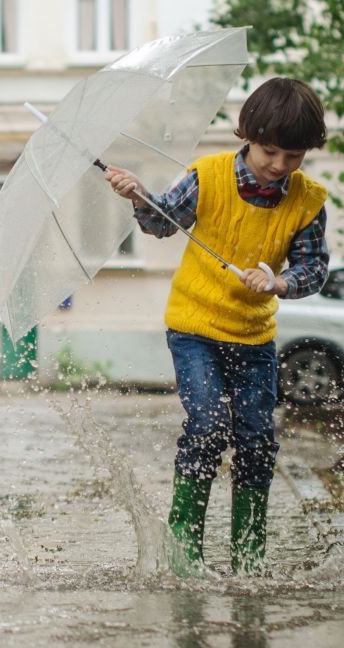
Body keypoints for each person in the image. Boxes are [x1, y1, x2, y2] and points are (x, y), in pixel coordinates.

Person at [104, 77, 330, 576]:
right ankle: (184, 556)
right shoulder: (207, 177)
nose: (279, 166)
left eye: (293, 156)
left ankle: (249, 559)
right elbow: (162, 222)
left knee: (256, 440)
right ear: (246, 135)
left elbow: (314, 269)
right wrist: (138, 195)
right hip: (195, 329)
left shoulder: (308, 201)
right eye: (270, 151)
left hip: (254, 337)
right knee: (207, 428)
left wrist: (281, 282)